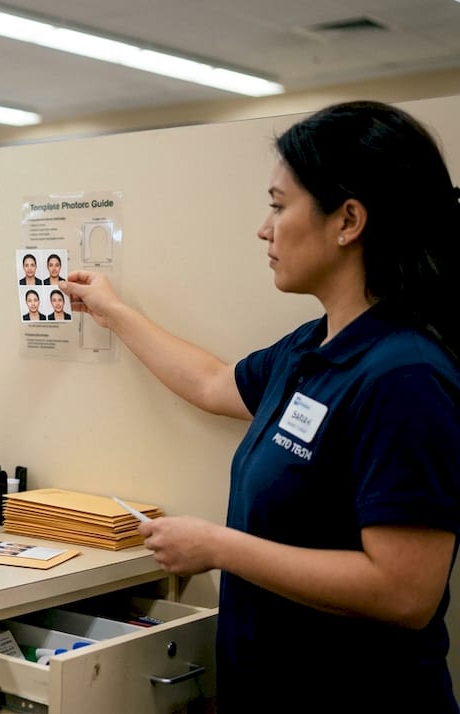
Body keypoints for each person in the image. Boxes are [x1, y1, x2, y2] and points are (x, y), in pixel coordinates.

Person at [61, 101, 460, 713]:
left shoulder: (404, 375)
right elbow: (214, 383)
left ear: (348, 220)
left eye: (278, 205)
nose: (263, 228)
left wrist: (218, 547)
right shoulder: (313, 346)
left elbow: (405, 590)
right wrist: (113, 312)